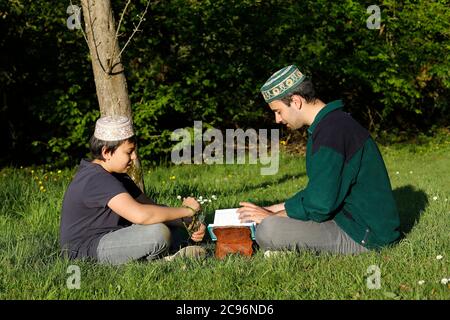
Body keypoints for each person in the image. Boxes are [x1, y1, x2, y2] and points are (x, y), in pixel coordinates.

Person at [237, 65, 401, 255]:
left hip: (364, 233)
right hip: (350, 219)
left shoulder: (332, 132)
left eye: (278, 111)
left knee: (268, 230)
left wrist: (272, 216)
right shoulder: (332, 124)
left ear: (296, 101)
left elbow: (321, 204)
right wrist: (272, 208)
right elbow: (321, 190)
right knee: (270, 223)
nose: (277, 119)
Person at [60, 115, 206, 265]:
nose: (134, 156)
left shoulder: (118, 176)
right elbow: (141, 216)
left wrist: (187, 223)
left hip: (114, 237)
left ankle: (166, 256)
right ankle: (162, 261)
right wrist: (187, 210)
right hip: (85, 251)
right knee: (158, 233)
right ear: (106, 152)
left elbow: (152, 208)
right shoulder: (96, 178)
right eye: (129, 152)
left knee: (173, 230)